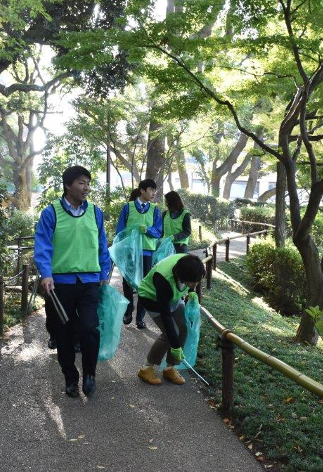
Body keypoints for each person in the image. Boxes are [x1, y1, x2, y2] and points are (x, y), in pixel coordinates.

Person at [34, 165, 111, 398]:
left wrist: (104, 273)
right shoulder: (51, 213)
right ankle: (70, 378)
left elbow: (102, 246)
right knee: (64, 333)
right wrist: (46, 273)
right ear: (68, 185)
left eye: (88, 183)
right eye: (81, 183)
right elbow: (43, 245)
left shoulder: (95, 213)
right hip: (60, 285)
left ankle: (90, 375)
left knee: (89, 328)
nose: (86, 187)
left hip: (89, 282)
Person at [136, 253, 205, 385]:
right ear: (182, 277)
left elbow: (193, 279)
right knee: (169, 333)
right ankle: (146, 368)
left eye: (197, 281)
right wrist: (176, 346)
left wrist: (191, 292)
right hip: (152, 299)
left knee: (184, 327)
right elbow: (166, 315)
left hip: (172, 297)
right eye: (193, 282)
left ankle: (169, 368)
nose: (195, 284)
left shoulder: (191, 264)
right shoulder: (163, 279)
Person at [115, 179, 163, 329]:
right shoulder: (127, 208)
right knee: (128, 281)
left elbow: (159, 232)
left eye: (155, 190)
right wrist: (121, 249)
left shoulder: (155, 210)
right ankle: (129, 310)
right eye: (151, 190)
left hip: (147, 251)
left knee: (144, 284)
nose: (153, 193)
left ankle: (140, 317)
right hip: (130, 251)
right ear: (142, 190)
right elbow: (120, 231)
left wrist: (148, 230)